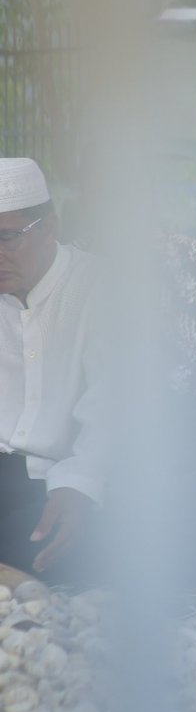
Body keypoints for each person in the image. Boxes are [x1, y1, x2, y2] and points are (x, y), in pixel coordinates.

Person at [0, 158, 103, 580]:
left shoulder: (102, 288)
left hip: (61, 481)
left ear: (51, 227)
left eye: (7, 237)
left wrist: (79, 486)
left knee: (42, 543)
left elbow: (113, 412)